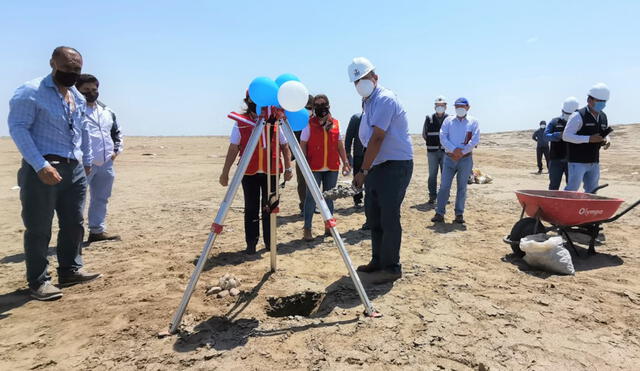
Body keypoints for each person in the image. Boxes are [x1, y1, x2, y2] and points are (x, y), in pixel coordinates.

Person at [8, 46, 102, 301]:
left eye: (76, 69)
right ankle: (38, 281)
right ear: (53, 63)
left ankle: (70, 269)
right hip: (43, 169)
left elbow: (81, 130)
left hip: (74, 168)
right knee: (39, 227)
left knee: (74, 223)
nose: (71, 73)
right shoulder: (31, 92)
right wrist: (40, 165)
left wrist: (86, 160)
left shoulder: (77, 96)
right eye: (67, 67)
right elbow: (18, 128)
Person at [349, 57, 414, 282]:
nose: (361, 83)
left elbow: (377, 138)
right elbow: (368, 141)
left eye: (364, 78)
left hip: (395, 166)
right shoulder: (368, 102)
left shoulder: (385, 99)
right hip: (377, 166)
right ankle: (378, 260)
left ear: (375, 77)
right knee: (374, 215)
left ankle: (392, 267)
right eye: (356, 80)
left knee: (389, 216)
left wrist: (363, 171)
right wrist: (366, 169)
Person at [220, 93, 293, 254]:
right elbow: (233, 148)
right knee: (251, 208)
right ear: (248, 101)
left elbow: (284, 145)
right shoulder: (241, 122)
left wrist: (288, 167)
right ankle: (251, 243)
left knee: (270, 207)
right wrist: (225, 172)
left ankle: (270, 242)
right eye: (253, 99)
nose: (256, 103)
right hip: (249, 171)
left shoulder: (275, 119)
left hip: (272, 171)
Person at [75, 74, 123, 243]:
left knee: (101, 198)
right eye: (86, 90)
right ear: (77, 90)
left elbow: (116, 133)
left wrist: (115, 151)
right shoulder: (73, 110)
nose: (91, 93)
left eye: (94, 89)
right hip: (82, 164)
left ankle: (96, 231)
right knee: (76, 201)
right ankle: (74, 235)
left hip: (106, 163)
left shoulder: (107, 111)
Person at [300, 94, 350, 241]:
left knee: (329, 197)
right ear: (314, 108)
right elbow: (303, 143)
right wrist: (303, 162)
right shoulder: (309, 123)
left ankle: (328, 226)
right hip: (314, 167)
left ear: (328, 105)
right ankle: (307, 229)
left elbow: (340, 145)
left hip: (331, 167)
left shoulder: (335, 123)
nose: (321, 107)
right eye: (318, 105)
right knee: (311, 198)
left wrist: (345, 161)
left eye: (324, 104)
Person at [431, 97, 480, 224]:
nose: (460, 109)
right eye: (457, 106)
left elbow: (474, 140)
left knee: (462, 187)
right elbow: (443, 137)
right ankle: (439, 213)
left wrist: (461, 152)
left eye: (462, 106)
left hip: (465, 159)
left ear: (468, 107)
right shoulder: (448, 121)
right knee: (444, 187)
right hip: (449, 159)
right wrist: (454, 150)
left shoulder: (473, 122)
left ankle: (459, 214)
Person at [563, 83, 611, 193]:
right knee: (572, 189)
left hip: (594, 161)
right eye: (599, 101)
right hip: (577, 161)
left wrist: (607, 140)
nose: (602, 104)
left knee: (592, 190)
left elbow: (604, 132)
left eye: (604, 101)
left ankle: (588, 210)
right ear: (589, 100)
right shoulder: (577, 116)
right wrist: (588, 139)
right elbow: (566, 136)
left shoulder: (603, 116)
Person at [545, 97, 579, 190]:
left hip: (572, 161)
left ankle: (570, 204)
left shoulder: (579, 123)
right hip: (556, 160)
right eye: (567, 113)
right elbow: (546, 136)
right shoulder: (554, 121)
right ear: (562, 110)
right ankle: (551, 203)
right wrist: (557, 135)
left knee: (572, 187)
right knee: (553, 186)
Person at [422, 95, 448, 204]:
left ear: (445, 107)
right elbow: (424, 134)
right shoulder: (429, 118)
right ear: (435, 107)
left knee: (445, 175)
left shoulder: (449, 119)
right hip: (432, 152)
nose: (440, 107)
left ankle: (444, 196)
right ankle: (432, 196)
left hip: (445, 152)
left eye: (442, 105)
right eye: (438, 105)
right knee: (432, 175)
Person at [292, 95, 314, 214]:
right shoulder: (297, 120)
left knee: (313, 182)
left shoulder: (317, 120)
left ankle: (312, 205)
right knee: (302, 182)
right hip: (300, 156)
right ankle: (303, 206)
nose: (308, 110)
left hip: (315, 156)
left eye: (310, 107)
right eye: (306, 107)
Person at [345, 112, 365, 208]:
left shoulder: (376, 117)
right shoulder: (356, 118)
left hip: (374, 155)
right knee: (357, 177)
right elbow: (349, 136)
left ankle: (370, 199)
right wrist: (347, 154)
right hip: (359, 154)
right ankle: (358, 199)